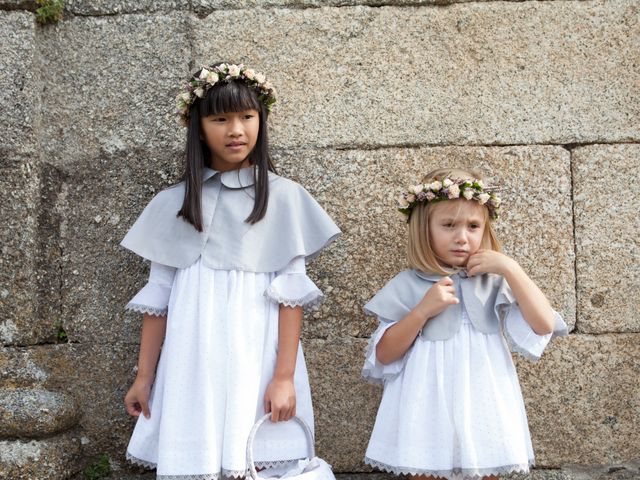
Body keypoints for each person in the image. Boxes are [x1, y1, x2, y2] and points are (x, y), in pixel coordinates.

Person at [121, 62, 340, 479]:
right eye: (220, 119)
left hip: (256, 352)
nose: (235, 129)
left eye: (246, 117)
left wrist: (284, 377)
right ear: (199, 128)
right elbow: (159, 298)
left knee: (256, 458)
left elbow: (290, 297)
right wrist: (144, 376)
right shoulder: (175, 203)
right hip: (192, 355)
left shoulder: (285, 199)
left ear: (261, 120)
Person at [362, 168, 567, 480]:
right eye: (448, 225)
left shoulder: (493, 282)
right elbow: (385, 355)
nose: (462, 237)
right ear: (423, 228)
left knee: (486, 470)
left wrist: (511, 268)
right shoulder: (408, 283)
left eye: (473, 226)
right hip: (426, 399)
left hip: (484, 397)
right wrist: (421, 311)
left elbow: (543, 325)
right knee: (425, 472)